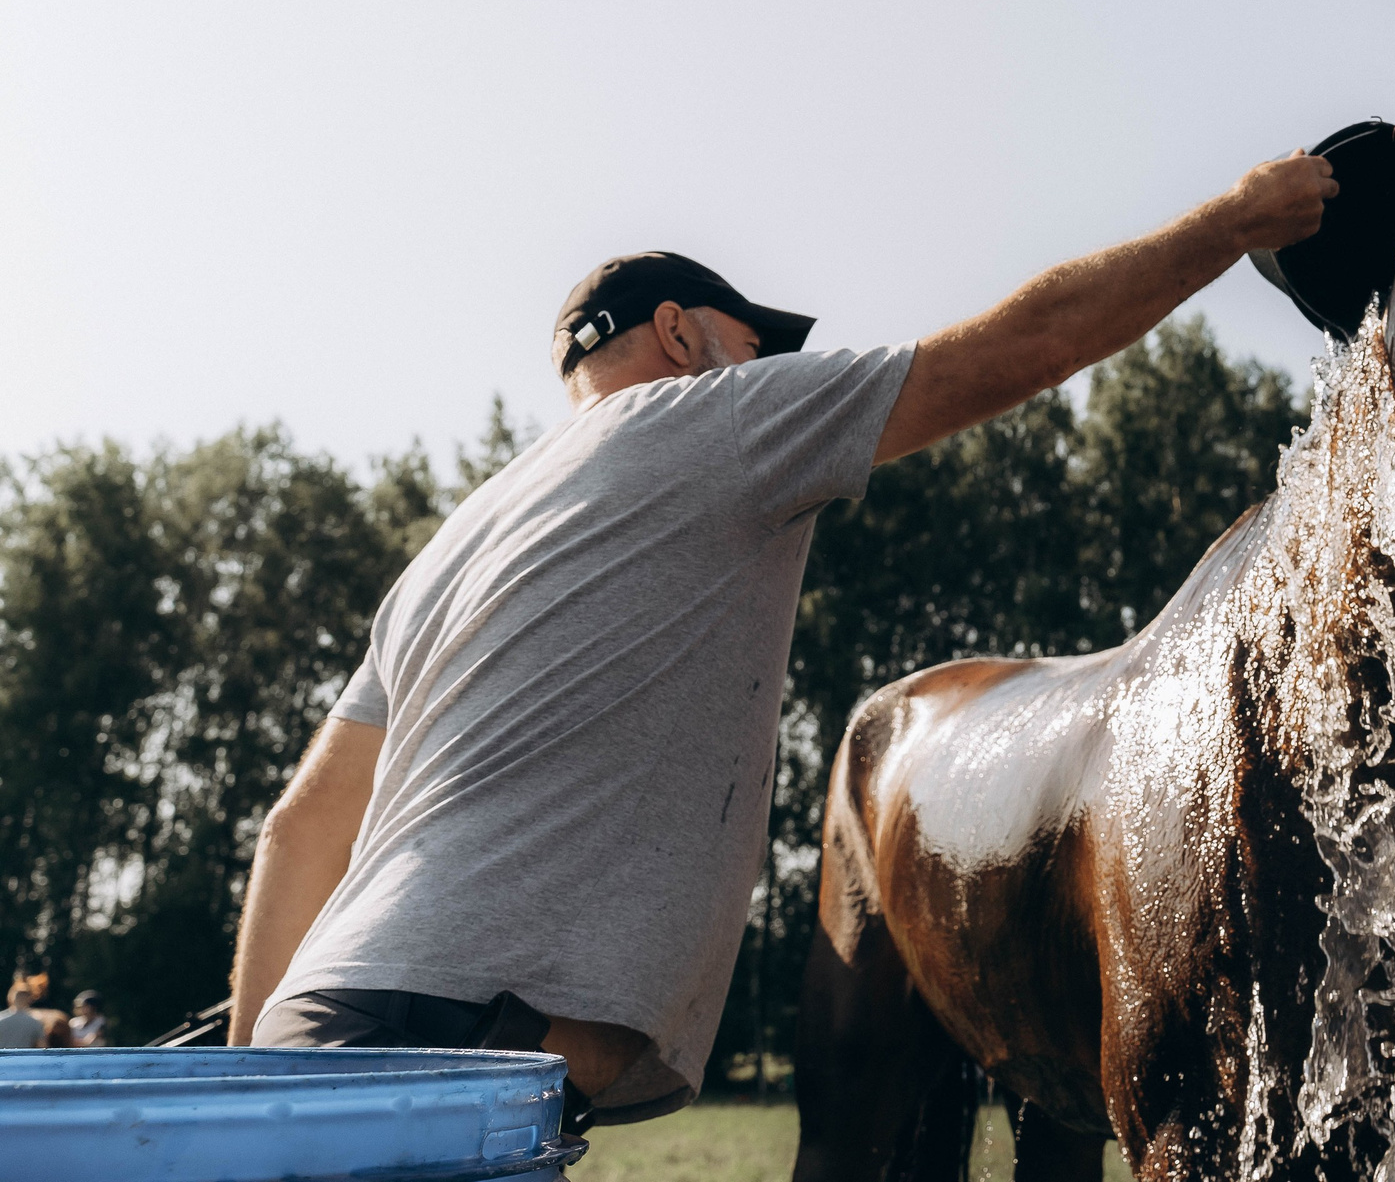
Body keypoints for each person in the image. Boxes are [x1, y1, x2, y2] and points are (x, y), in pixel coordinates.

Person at [226, 154, 1335, 1129]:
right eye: (755, 347)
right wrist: (1235, 220)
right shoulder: (707, 420)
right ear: (678, 333)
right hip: (478, 1038)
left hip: (326, 1016)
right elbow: (1019, 349)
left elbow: (296, 829)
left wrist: (238, 1094)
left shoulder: (451, 544)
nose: (768, 370)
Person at [0, 982, 43, 1049]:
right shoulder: (35, 1023)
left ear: (10, 997)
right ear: (29, 1000)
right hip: (24, 1058)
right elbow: (43, 1046)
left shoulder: (1, 1019)